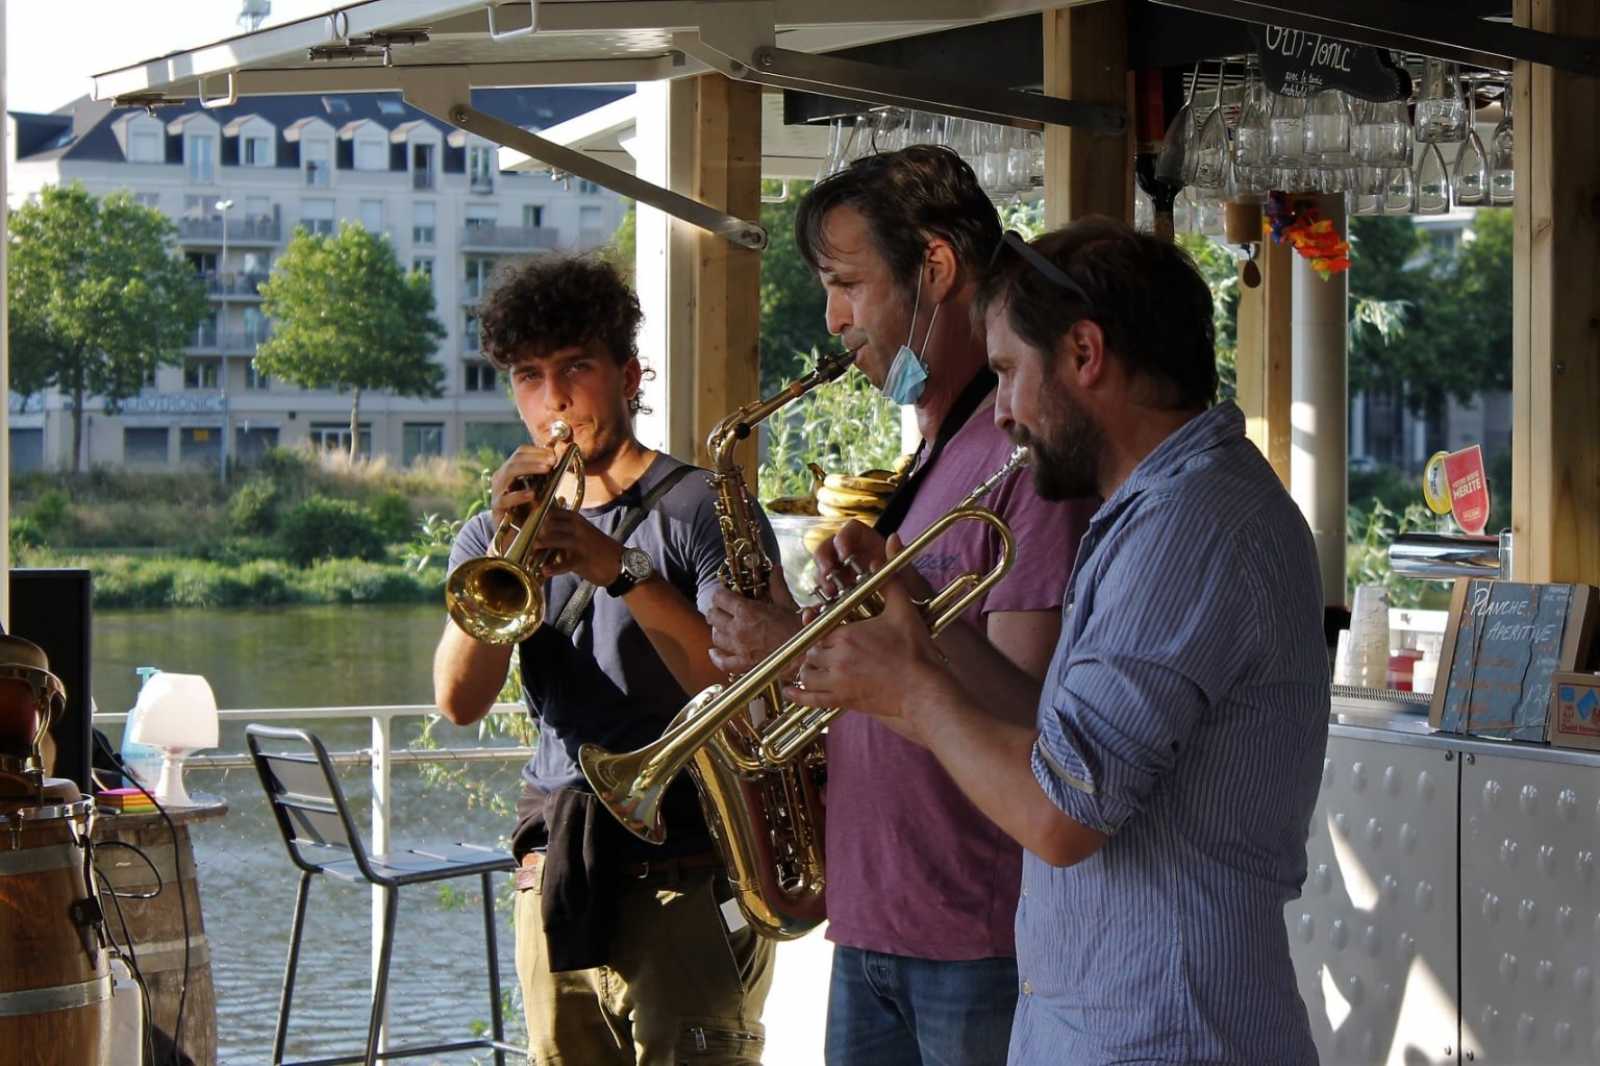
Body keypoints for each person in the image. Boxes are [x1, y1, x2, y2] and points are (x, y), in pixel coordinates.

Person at [784, 218, 1330, 1065]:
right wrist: (918, 615)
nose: (1001, 413)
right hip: (1112, 1024)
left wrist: (914, 693)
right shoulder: (1161, 509)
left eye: (1006, 373)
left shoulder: (1191, 529)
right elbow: (1058, 744)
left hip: (1162, 1036)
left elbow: (1063, 813)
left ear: (1084, 353)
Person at [706, 146, 1095, 1066]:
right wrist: (793, 646)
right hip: (877, 922)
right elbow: (899, 659)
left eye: (847, 284)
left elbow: (1030, 718)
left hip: (974, 934)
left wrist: (793, 650)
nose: (834, 318)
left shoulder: (1019, 465)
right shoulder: (930, 456)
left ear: (935, 269)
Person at [432, 254, 774, 1066]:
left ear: (628, 375)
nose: (553, 399)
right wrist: (506, 545)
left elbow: (740, 687)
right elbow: (457, 702)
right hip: (558, 863)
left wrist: (612, 566)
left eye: (576, 368)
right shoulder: (497, 532)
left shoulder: (699, 507)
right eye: (529, 376)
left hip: (687, 863)